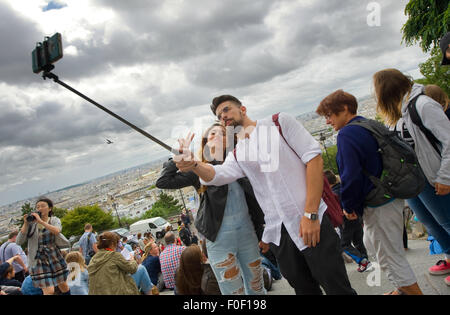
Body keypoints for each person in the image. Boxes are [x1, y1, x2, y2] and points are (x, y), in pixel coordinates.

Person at [176, 95, 356, 295]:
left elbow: (313, 159)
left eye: (226, 109)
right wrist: (194, 164)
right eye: (219, 115)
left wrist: (311, 214)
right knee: (304, 290)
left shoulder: (279, 123)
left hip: (310, 219)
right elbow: (217, 175)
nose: (223, 116)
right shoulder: (238, 153)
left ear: (242, 109)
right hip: (280, 233)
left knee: (337, 287)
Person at [157, 123, 267, 295]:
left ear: (229, 141)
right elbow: (163, 182)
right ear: (205, 142)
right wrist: (177, 158)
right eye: (212, 134)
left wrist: (263, 233)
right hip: (218, 238)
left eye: (223, 133)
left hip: (248, 234)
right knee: (232, 291)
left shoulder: (241, 164)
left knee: (256, 287)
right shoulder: (199, 170)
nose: (217, 135)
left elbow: (256, 199)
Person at [373, 69, 450, 288]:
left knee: (446, 220)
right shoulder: (399, 113)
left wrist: (445, 176)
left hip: (434, 175)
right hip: (416, 180)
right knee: (430, 222)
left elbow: (448, 140)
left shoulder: (423, 105)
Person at [16, 198, 71, 295]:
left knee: (64, 286)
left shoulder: (54, 220)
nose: (40, 209)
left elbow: (57, 230)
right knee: (49, 291)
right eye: (37, 207)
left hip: (54, 256)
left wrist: (41, 221)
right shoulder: (31, 224)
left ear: (50, 208)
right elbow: (19, 241)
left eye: (42, 206)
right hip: (37, 259)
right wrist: (25, 223)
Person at [324, 169, 370, 272]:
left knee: (344, 244)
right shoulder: (344, 188)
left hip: (345, 221)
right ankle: (365, 261)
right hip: (357, 218)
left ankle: (362, 261)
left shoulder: (333, 195)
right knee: (358, 241)